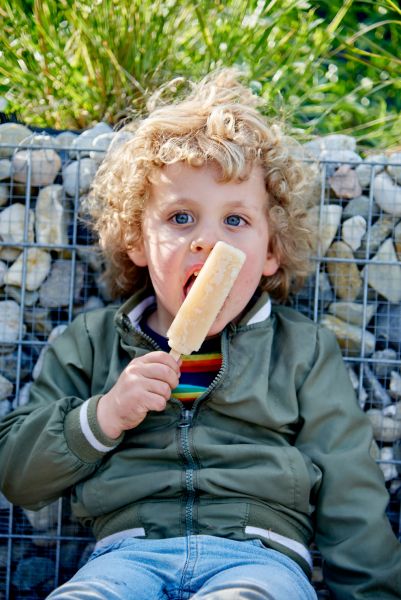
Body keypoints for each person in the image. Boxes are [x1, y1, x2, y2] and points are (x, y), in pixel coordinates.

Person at [0, 69, 400, 600]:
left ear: (271, 253)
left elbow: (350, 490)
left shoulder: (299, 350)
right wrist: (103, 416)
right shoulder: (91, 343)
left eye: (235, 221)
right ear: (137, 241)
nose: (206, 240)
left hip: (258, 558)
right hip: (126, 556)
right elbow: (17, 473)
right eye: (181, 217)